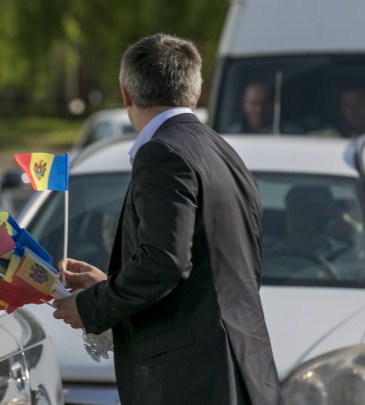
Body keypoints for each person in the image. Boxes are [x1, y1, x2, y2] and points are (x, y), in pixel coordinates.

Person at [52, 33, 282, 404]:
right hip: (240, 367)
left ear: (125, 93)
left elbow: (166, 262)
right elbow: (207, 266)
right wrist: (108, 284)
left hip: (193, 379)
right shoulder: (221, 150)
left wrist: (92, 305)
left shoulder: (162, 153)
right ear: (196, 92)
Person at [263, 186, 359, 279]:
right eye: (293, 211)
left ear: (325, 215)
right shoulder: (266, 257)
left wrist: (352, 232)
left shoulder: (349, 255)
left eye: (308, 210)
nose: (299, 218)